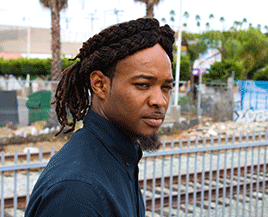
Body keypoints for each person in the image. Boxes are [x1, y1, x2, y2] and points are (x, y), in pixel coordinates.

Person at [25, 18, 175, 217]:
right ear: (99, 84)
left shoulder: (119, 158)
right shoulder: (77, 191)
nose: (160, 101)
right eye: (142, 85)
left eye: (166, 88)